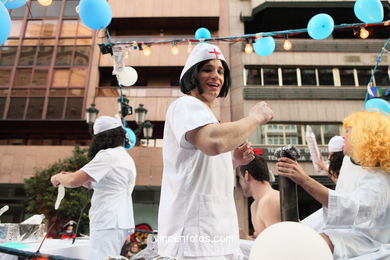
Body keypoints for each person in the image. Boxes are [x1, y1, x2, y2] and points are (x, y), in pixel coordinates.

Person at [157, 43, 273, 260]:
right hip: (193, 237)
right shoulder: (185, 105)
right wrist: (255, 117)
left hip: (217, 233)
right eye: (207, 69)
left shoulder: (207, 116)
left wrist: (232, 161)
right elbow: (212, 142)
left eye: (220, 71)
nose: (216, 76)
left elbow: (200, 167)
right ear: (193, 74)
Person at [277, 111, 390, 259]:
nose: (343, 136)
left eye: (348, 131)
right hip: (341, 231)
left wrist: (304, 180)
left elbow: (350, 207)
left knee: (315, 243)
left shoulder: (380, 179)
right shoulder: (348, 162)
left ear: (364, 138)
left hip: (370, 242)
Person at [51, 116, 137, 260]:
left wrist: (58, 178)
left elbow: (73, 181)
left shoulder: (108, 155)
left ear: (100, 138)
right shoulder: (125, 157)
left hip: (108, 220)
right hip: (119, 220)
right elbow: (93, 182)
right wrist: (72, 175)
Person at [238, 155, 280, 239]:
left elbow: (279, 243)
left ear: (246, 175)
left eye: (240, 178)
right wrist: (246, 238)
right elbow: (264, 242)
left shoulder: (270, 200)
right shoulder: (254, 205)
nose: (240, 183)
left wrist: (245, 238)